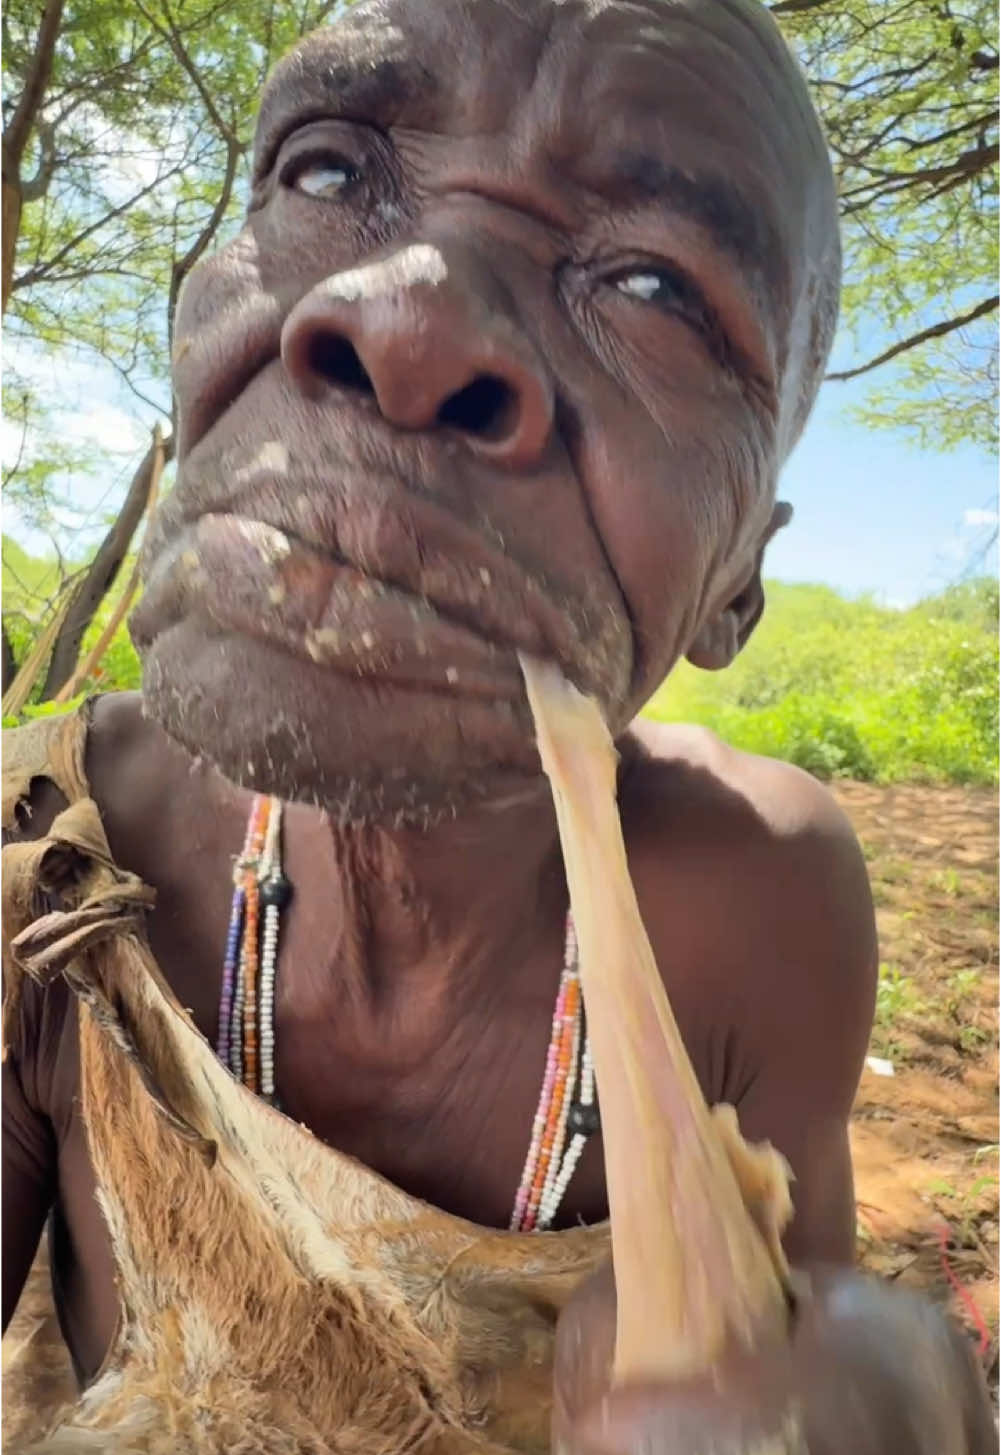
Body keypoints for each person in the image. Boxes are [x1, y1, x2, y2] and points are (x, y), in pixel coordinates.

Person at [2, 0, 993, 1449]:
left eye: (655, 289)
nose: (402, 316)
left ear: (737, 584)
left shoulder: (754, 917)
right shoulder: (48, 863)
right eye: (329, 174)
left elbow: (786, 1347)